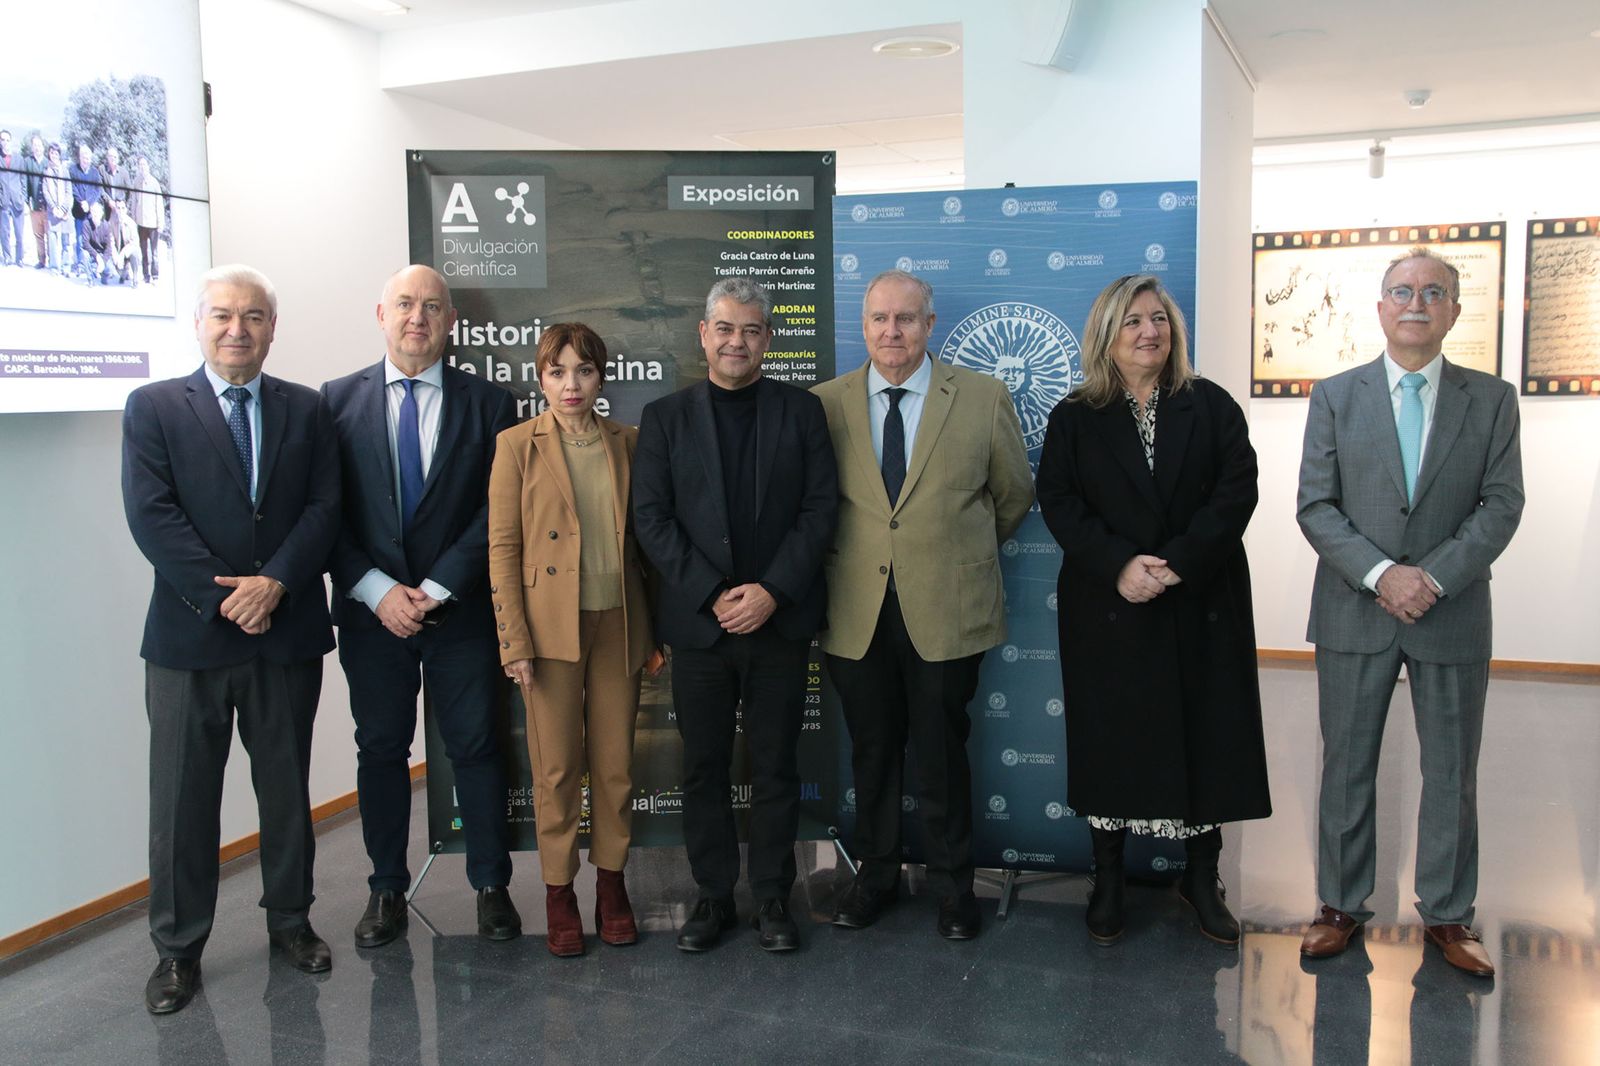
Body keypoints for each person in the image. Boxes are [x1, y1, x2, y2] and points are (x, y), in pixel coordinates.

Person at [1296, 247, 1524, 976]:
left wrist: (1432, 577)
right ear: (1381, 307)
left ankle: (1450, 916)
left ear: (1455, 310)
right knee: (1346, 766)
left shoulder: (1491, 399)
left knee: (1452, 772)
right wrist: (1382, 574)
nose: (1417, 302)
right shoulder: (1335, 395)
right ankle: (1339, 904)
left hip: (1449, 612)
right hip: (1354, 609)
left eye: (1434, 292)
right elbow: (1316, 506)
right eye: (1402, 290)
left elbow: (1501, 504)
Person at [121, 264, 341, 1014]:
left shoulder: (307, 409)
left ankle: (291, 923)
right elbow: (153, 517)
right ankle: (178, 951)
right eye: (223, 316)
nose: (238, 329)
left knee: (286, 792)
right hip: (190, 643)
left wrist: (274, 583)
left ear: (272, 329)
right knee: (182, 804)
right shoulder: (153, 407)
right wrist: (229, 599)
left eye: (252, 317)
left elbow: (323, 506)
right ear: (199, 324)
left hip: (284, 633)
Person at [1035, 274, 1271, 946]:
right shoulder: (1074, 416)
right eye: (1134, 321)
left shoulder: (1213, 406)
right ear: (1107, 335)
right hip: (1108, 607)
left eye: (1160, 320)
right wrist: (1120, 566)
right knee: (1110, 742)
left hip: (1200, 601)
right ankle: (1106, 877)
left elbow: (1236, 493)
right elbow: (1061, 502)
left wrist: (1174, 564)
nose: (1150, 332)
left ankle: (1202, 878)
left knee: (1206, 738)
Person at [812, 269, 1033, 940]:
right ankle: (875, 877)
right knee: (872, 752)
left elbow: (1013, 493)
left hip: (946, 607)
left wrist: (950, 554)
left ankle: (952, 888)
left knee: (941, 752)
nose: (892, 331)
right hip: (856, 611)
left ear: (930, 325)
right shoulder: (825, 404)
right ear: (864, 324)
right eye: (880, 318)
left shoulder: (983, 397)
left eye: (907, 318)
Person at [633, 277, 838, 953]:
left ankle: (775, 897)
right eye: (725, 328)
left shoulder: (802, 412)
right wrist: (712, 592)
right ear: (703, 333)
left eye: (751, 330)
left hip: (777, 623)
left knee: (776, 764)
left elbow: (819, 510)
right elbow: (652, 519)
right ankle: (714, 897)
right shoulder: (665, 418)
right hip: (700, 627)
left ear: (767, 339)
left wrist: (772, 590)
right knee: (704, 768)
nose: (736, 342)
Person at [322, 264, 522, 948]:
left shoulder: (491, 404)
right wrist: (379, 592)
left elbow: (495, 510)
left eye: (432, 306)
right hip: (371, 617)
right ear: (380, 314)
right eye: (404, 304)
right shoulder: (334, 401)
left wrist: (435, 588)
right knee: (380, 750)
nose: (417, 317)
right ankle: (385, 890)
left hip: (459, 613)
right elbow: (328, 515)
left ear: (450, 322)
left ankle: (492, 887)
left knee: (475, 746)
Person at [487, 322, 663, 957]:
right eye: (557, 372)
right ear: (540, 378)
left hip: (619, 623)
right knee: (557, 768)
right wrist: (514, 641)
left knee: (615, 767)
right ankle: (559, 892)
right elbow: (503, 548)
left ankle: (611, 886)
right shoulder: (516, 446)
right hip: (548, 631)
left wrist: (655, 629)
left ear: (600, 378)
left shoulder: (630, 442)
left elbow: (649, 546)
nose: (570, 385)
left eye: (583, 371)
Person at [129, 155, 164, 283]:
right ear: (138, 167)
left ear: (148, 166)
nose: (142, 167)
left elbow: (159, 203)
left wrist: (161, 222)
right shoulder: (136, 182)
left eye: (144, 164)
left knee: (154, 251)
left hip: (153, 223)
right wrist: (133, 219)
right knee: (143, 250)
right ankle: (146, 275)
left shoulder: (154, 183)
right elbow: (134, 201)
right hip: (141, 223)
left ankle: (155, 275)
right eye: (140, 165)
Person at [68, 144, 101, 274]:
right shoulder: (73, 170)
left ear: (90, 159)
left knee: (92, 238)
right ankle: (81, 263)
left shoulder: (94, 172)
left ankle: (92, 263)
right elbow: (73, 187)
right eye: (83, 157)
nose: (85, 160)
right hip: (78, 211)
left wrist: (89, 202)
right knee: (80, 238)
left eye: (88, 158)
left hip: (91, 212)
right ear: (79, 157)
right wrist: (82, 201)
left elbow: (98, 189)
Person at [44, 144, 73, 274]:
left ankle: (66, 266)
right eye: (52, 153)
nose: (54, 155)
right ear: (49, 154)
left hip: (65, 210)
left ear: (59, 155)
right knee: (52, 239)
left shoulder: (65, 171)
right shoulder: (46, 171)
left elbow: (68, 191)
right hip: (52, 211)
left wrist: (63, 208)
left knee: (66, 240)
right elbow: (46, 192)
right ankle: (55, 267)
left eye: (56, 153)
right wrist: (54, 208)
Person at [0, 130, 25, 267]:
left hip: (17, 202)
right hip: (3, 203)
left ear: (11, 141)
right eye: (2, 139)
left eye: (7, 139)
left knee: (19, 233)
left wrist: (24, 198)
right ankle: (7, 257)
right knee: (4, 232)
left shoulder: (18, 159)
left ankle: (19, 258)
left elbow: (23, 180)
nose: (4, 142)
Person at [24, 135, 49, 269]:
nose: (37, 148)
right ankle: (42, 260)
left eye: (39, 145)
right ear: (32, 147)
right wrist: (26, 202)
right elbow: (25, 182)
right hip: (34, 205)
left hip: (47, 206)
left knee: (50, 234)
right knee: (38, 235)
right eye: (35, 145)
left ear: (43, 147)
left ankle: (53, 261)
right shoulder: (27, 162)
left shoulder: (48, 162)